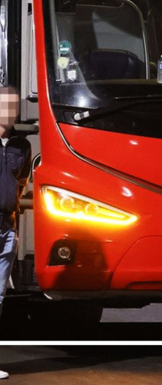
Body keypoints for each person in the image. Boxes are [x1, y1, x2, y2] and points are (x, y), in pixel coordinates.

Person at [0, 86, 31, 380]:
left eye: (13, 106)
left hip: (7, 228)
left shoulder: (21, 146)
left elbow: (21, 182)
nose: (9, 111)